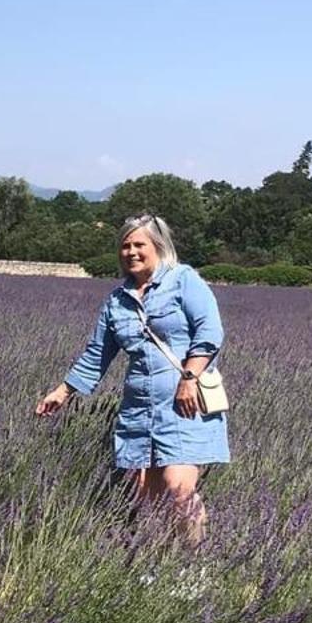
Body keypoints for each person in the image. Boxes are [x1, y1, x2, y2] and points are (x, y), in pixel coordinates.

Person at [35, 214, 228, 544]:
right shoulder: (117, 300)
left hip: (185, 406)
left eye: (140, 244)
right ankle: (155, 568)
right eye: (125, 246)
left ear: (158, 247)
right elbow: (98, 352)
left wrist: (189, 377)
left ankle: (194, 568)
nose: (132, 252)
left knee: (180, 491)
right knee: (147, 501)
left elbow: (210, 332)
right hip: (139, 410)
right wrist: (63, 391)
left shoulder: (183, 280)